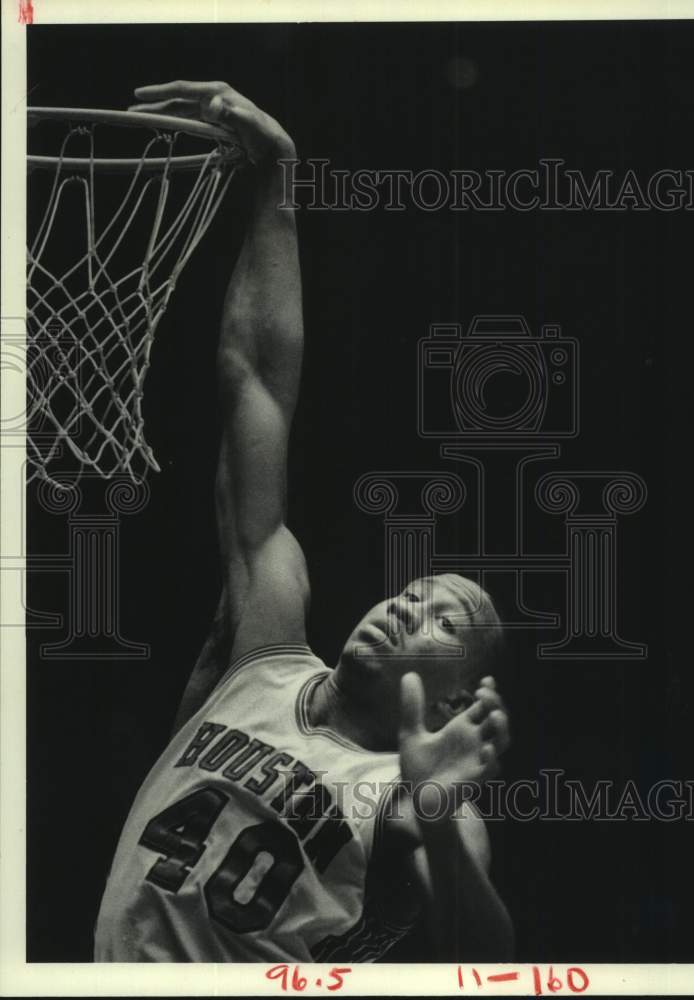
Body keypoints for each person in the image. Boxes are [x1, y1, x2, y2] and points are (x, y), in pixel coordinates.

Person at [93, 81, 513, 964]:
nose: (406, 605)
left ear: (453, 701)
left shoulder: (407, 799)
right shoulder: (266, 642)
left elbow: (491, 956)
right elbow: (257, 384)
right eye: (411, 589)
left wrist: (438, 823)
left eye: (444, 620)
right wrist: (278, 182)